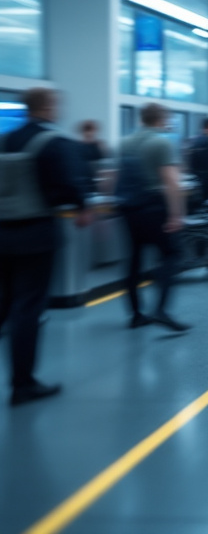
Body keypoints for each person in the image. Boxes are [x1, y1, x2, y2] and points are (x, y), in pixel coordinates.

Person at [0, 88, 91, 406]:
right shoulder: (53, 142)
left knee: (5, 303)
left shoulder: (6, 139)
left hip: (3, 232)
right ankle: (22, 384)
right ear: (49, 106)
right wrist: (82, 207)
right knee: (28, 308)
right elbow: (68, 185)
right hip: (36, 234)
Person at [118, 102, 190, 333]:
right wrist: (176, 214)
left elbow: (112, 177)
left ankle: (136, 314)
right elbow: (171, 181)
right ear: (161, 119)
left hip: (130, 208)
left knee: (134, 259)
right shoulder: (162, 143)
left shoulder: (124, 142)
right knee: (172, 254)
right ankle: (161, 310)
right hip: (154, 207)